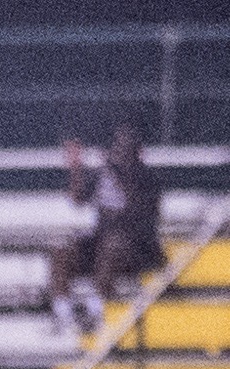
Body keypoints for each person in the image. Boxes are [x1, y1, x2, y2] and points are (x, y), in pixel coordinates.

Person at [52, 123, 163, 333]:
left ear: (137, 153)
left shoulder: (148, 178)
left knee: (112, 245)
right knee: (62, 250)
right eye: (116, 149)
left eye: (125, 150)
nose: (119, 155)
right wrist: (76, 167)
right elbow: (77, 199)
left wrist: (118, 172)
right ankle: (63, 312)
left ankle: (96, 309)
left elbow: (135, 210)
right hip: (101, 242)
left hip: (137, 248)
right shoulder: (103, 174)